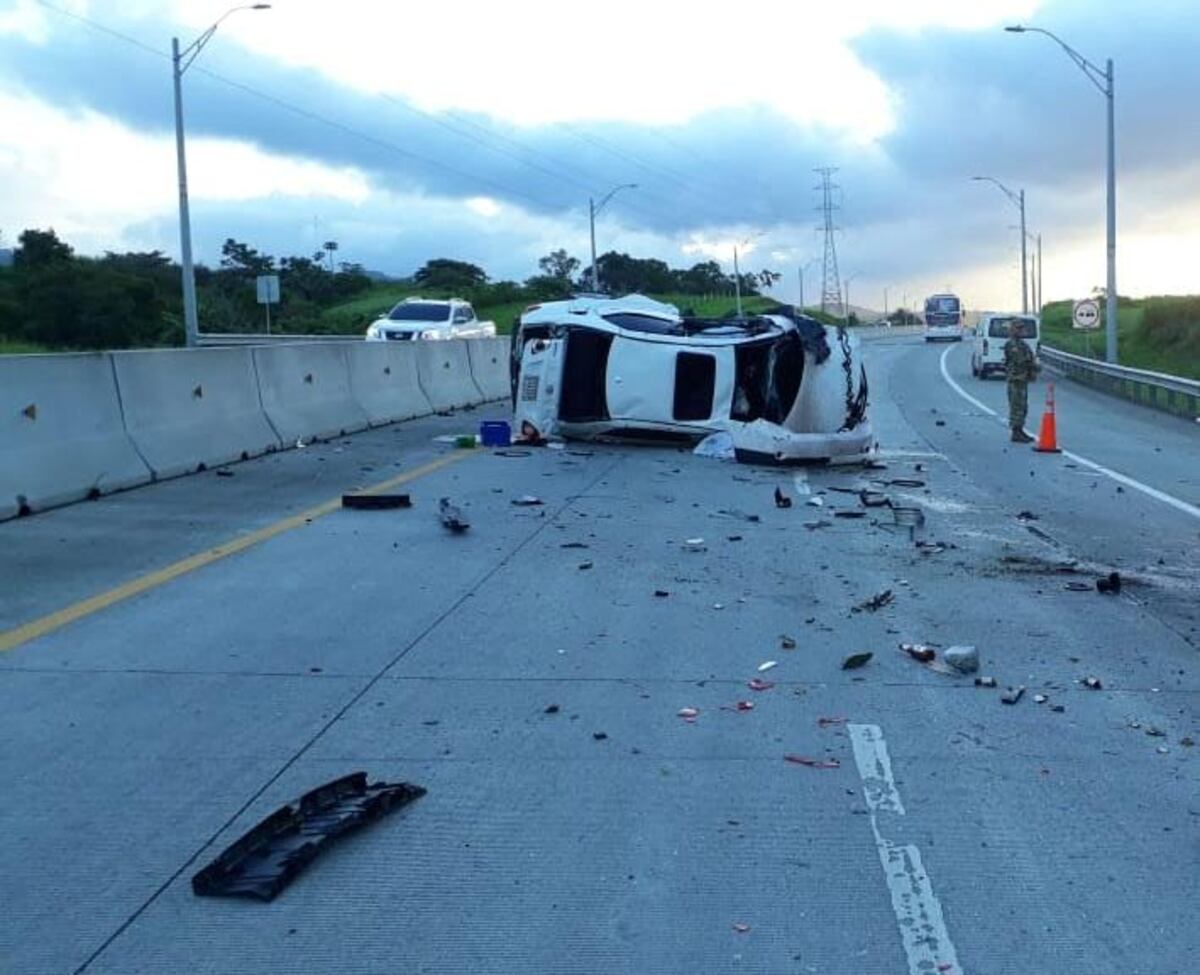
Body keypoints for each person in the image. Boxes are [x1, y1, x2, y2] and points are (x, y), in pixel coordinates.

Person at [1005, 320, 1037, 442]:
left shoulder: (1022, 344)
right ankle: (1016, 432)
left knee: (1023, 406)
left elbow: (1030, 357)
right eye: (1018, 328)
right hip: (1016, 379)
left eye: (1022, 328)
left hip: (1022, 379)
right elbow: (1020, 360)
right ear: (1013, 330)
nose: (1021, 331)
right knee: (1017, 406)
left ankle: (1020, 430)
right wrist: (1033, 365)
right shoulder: (1012, 344)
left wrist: (1033, 366)